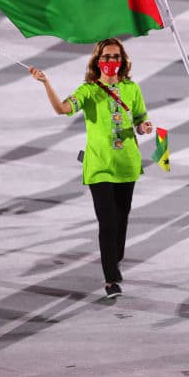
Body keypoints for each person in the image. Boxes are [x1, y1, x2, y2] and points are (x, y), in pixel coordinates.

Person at [30, 38, 153, 298]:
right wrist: (46, 84)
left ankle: (114, 258)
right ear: (98, 61)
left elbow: (141, 117)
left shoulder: (131, 88)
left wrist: (144, 127)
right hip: (99, 167)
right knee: (107, 223)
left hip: (127, 164)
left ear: (123, 60)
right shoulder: (89, 90)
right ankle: (111, 279)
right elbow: (62, 109)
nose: (111, 62)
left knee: (121, 221)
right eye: (106, 57)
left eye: (115, 56)